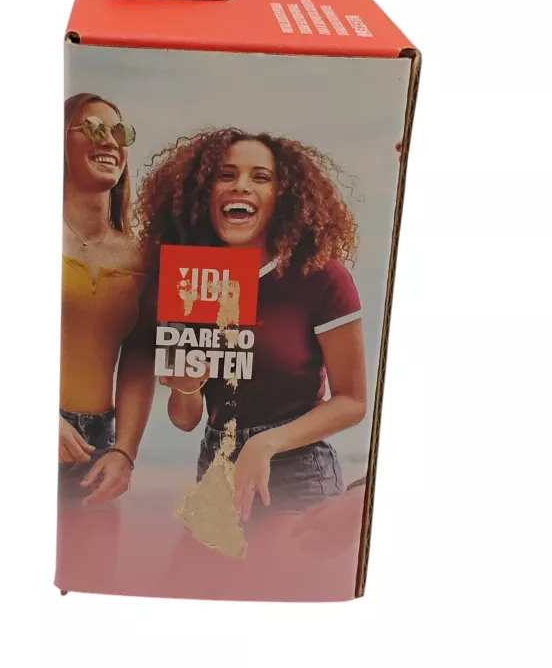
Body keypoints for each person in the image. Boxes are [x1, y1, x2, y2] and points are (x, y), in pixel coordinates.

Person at [135, 127, 367, 527]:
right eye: (226, 175)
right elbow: (185, 419)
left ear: (282, 196)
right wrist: (186, 386)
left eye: (261, 177)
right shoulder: (191, 278)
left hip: (296, 469)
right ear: (203, 192)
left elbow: (352, 401)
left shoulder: (320, 276)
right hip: (214, 466)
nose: (241, 185)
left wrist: (266, 443)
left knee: (284, 567)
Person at [56, 93, 155, 593]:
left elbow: (139, 360)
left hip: (97, 448)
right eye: (92, 129)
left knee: (91, 586)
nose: (109, 142)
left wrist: (125, 452)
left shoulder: (141, 256)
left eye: (118, 133)